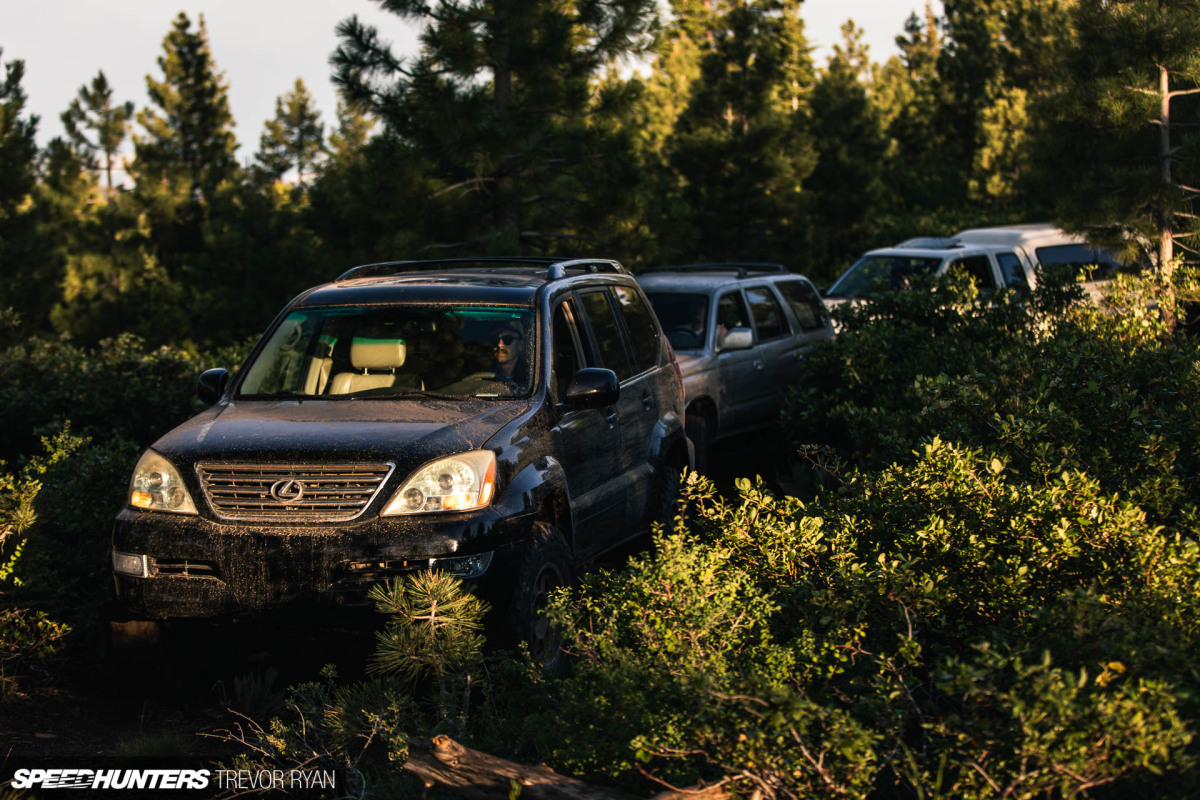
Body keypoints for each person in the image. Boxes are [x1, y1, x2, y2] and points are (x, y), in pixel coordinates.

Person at [490, 320, 528, 386]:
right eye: (495, 339)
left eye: (507, 339)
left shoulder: (530, 378)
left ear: (520, 345)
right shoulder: (483, 373)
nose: (500, 345)